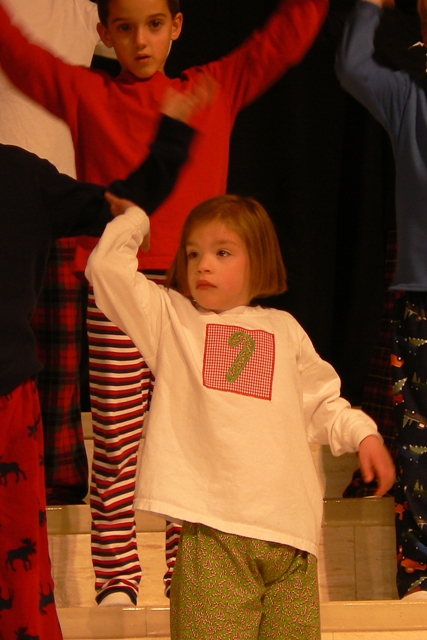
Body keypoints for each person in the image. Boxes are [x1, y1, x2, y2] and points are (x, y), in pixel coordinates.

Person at [0, 0, 330, 605]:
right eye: (125, 29)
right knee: (118, 439)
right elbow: (23, 58)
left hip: (199, 300)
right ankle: (117, 576)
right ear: (104, 33)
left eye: (154, 25)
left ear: (177, 25)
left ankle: (190, 572)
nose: (141, 41)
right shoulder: (88, 93)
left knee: (199, 436)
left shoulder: (210, 88)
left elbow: (278, 42)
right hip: (120, 297)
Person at [86, 193, 395, 639]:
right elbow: (106, 270)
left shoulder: (284, 329)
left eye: (222, 252)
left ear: (259, 260)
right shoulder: (173, 321)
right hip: (217, 537)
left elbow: (323, 403)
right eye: (193, 253)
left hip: (291, 542)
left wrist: (364, 435)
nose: (203, 266)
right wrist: (135, 221)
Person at [0, 89, 197, 640]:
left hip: (9, 398)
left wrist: (171, 138)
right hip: (12, 393)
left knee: (18, 553)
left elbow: (121, 202)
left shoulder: (21, 176)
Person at [336, 0, 427, 600]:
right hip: (421, 294)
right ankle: (420, 569)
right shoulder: (410, 98)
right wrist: (373, 5)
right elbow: (353, 66)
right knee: (418, 441)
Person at [0, 0, 101, 506]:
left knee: (59, 345)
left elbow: (139, 35)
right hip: (5, 189)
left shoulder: (81, 10)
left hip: (58, 187)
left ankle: (59, 466)